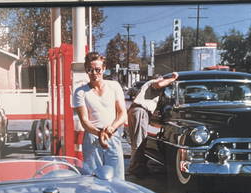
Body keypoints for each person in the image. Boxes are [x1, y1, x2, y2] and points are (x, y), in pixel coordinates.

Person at [72, 52, 127, 180]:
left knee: (117, 178)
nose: (94, 73)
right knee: (92, 178)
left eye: (97, 70)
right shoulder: (80, 92)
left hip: (112, 135)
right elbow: (84, 121)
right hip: (92, 137)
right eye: (90, 70)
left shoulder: (114, 86)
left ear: (104, 69)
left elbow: (122, 113)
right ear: (86, 70)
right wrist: (99, 133)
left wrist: (112, 128)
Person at [127, 72, 179, 178]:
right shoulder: (154, 82)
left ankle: (135, 166)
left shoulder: (148, 88)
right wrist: (172, 79)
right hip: (141, 111)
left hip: (135, 110)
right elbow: (159, 85)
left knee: (136, 140)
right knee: (140, 141)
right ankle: (136, 169)